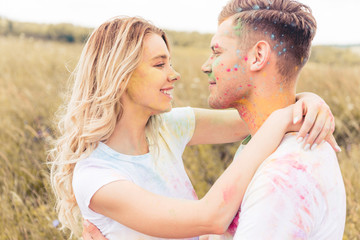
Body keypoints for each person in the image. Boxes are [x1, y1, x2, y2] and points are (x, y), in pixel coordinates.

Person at [51, 16, 339, 240]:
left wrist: (309, 101)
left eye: (170, 63)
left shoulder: (166, 128)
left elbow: (255, 119)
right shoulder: (97, 177)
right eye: (159, 64)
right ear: (120, 74)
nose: (174, 75)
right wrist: (283, 118)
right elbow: (210, 216)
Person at [199, 0, 345, 239]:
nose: (206, 66)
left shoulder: (283, 176)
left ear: (258, 56)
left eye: (217, 52)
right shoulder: (270, 140)